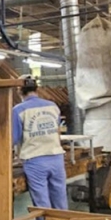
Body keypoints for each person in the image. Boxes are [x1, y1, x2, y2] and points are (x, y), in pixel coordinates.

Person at [12, 75, 68, 209]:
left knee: (42, 203)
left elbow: (12, 138)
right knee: (60, 198)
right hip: (56, 158)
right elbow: (57, 130)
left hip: (34, 160)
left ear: (19, 90)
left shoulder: (19, 110)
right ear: (37, 88)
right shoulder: (52, 106)